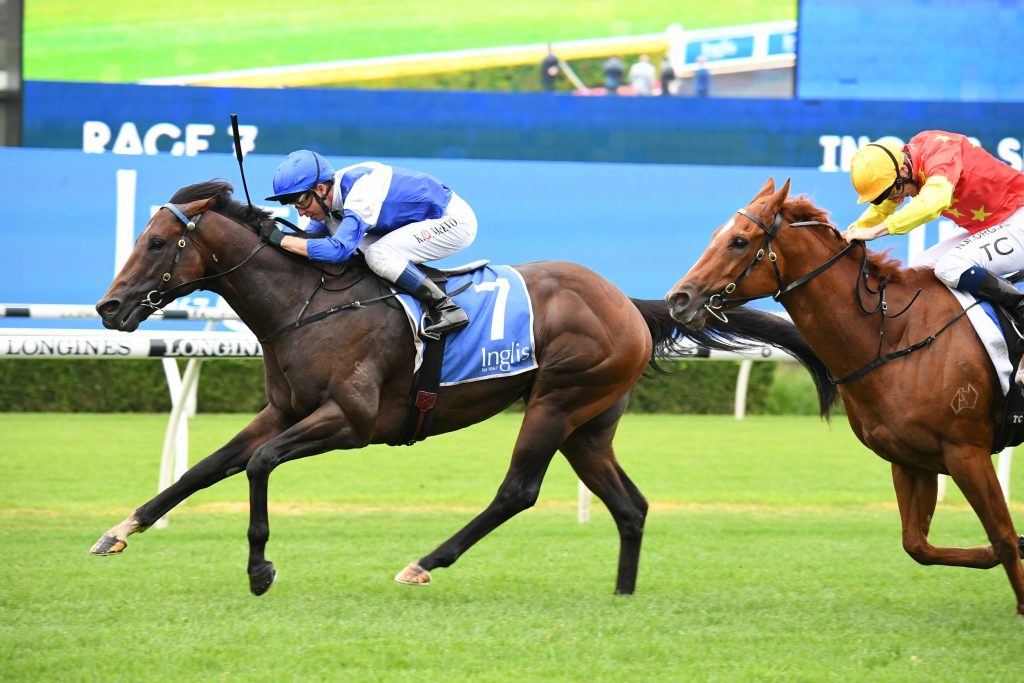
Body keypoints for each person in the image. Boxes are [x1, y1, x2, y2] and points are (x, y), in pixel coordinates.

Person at [265, 150, 477, 338]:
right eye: (294, 205)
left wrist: (281, 240)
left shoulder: (361, 192)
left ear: (320, 189)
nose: (301, 212)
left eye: (302, 201)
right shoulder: (330, 194)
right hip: (419, 221)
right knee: (357, 250)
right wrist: (269, 236)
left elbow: (338, 250)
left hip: (452, 221)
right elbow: (308, 239)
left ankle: (445, 307)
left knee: (377, 254)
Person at [843, 131, 1024, 329]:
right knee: (919, 269)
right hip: (996, 224)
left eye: (891, 192)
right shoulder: (904, 169)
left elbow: (932, 203)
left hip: (1018, 217)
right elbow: (882, 210)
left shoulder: (940, 151)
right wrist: (850, 233)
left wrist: (876, 231)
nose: (892, 199)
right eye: (882, 197)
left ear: (903, 170)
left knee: (950, 266)